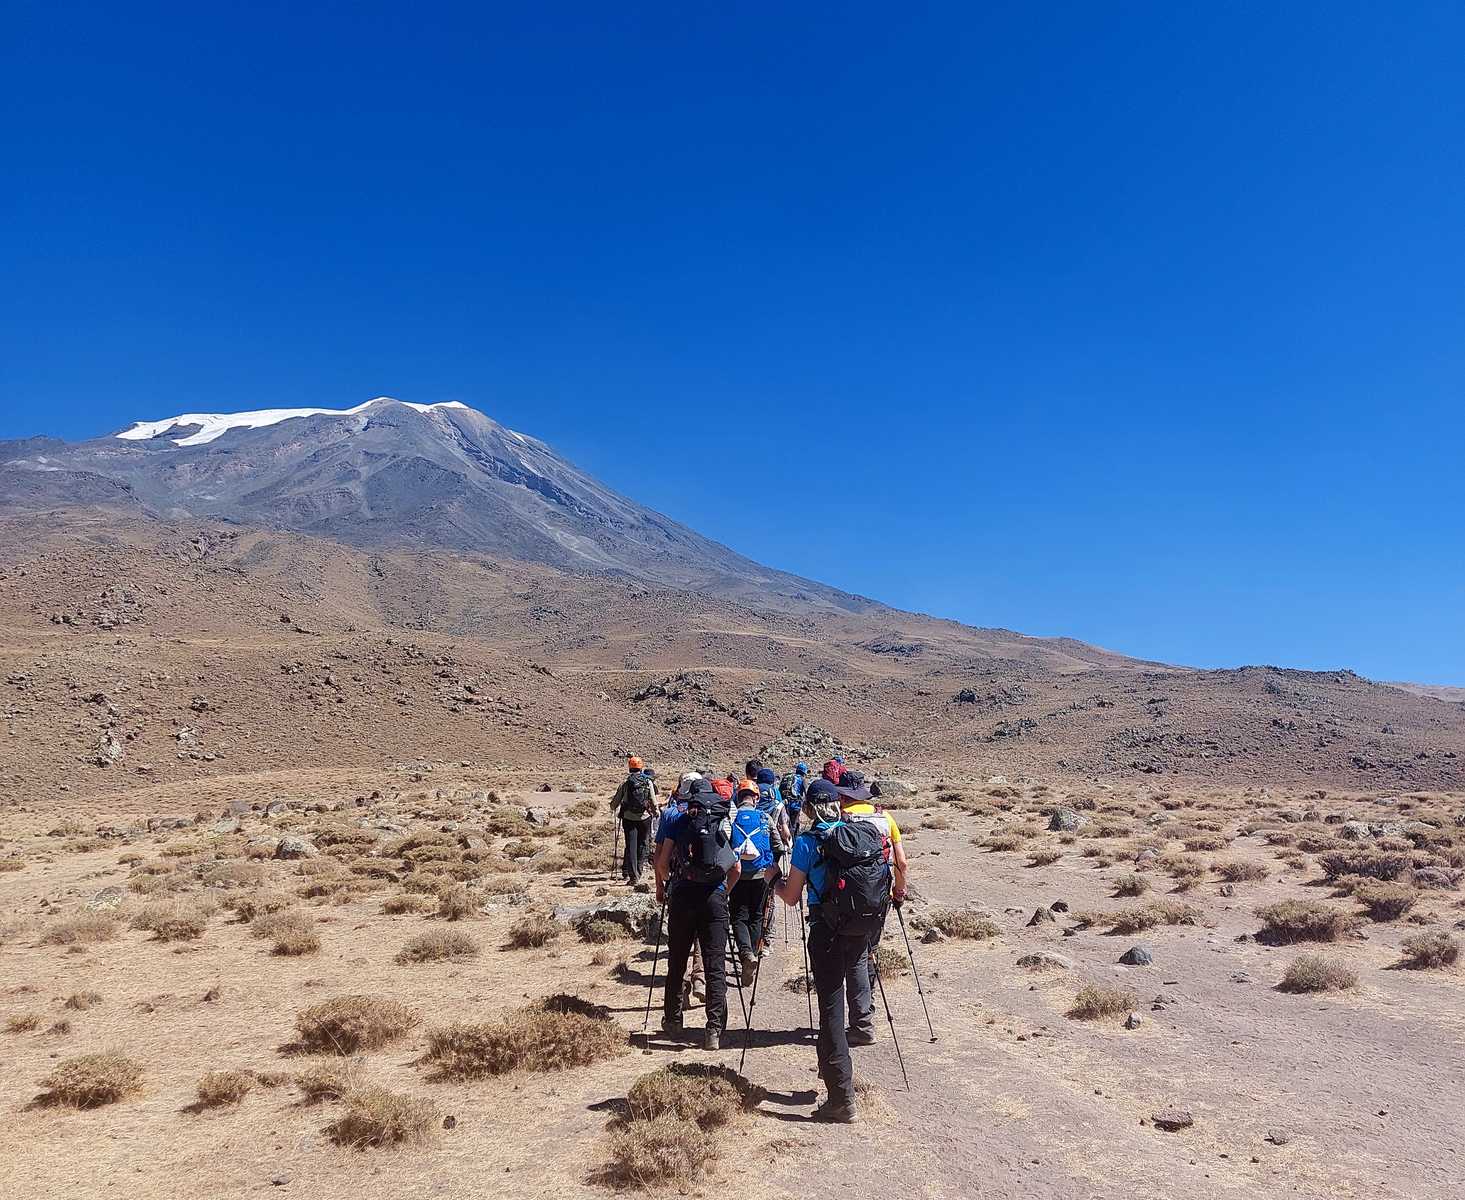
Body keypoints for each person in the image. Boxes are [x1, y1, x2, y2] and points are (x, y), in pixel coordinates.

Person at [774, 778, 891, 1123]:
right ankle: (839, 1080)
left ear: (809, 808)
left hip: (825, 932)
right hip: (859, 928)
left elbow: (792, 896)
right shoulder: (863, 834)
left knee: (830, 1011)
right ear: (838, 805)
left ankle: (841, 1097)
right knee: (847, 989)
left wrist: (773, 880)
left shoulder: (808, 843)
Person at [654, 777, 740, 1050]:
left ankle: (673, 1020)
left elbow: (661, 864)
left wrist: (671, 883)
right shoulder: (721, 823)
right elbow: (735, 868)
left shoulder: (678, 822)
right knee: (715, 965)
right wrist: (723, 891)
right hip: (713, 897)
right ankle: (714, 1029)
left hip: (682, 896)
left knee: (677, 961)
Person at [835, 769, 908, 1045]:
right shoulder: (884, 817)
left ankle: (860, 1021)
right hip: (879, 899)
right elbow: (901, 862)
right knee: (868, 953)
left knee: (850, 958)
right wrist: (899, 892)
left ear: (843, 795)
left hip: (846, 901)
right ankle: (867, 1009)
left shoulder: (841, 820)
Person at [728, 779, 775, 978]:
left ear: (738, 797)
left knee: (739, 915)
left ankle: (746, 952)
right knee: (757, 915)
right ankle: (754, 953)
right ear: (756, 797)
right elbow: (779, 845)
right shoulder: (765, 817)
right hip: (761, 874)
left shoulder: (732, 817)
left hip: (736, 873)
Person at [609, 756, 657, 885]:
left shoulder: (625, 783)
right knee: (643, 844)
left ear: (630, 767)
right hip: (645, 818)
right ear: (641, 767)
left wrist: (613, 807)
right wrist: (656, 812)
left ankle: (633, 876)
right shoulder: (647, 782)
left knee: (631, 846)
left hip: (629, 818)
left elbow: (615, 802)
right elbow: (653, 800)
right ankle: (639, 871)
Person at [780, 761, 809, 838]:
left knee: (784, 823)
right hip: (795, 805)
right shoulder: (802, 779)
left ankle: (784, 839)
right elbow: (807, 793)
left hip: (784, 804)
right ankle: (793, 842)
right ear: (804, 772)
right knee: (793, 824)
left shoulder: (787, 777)